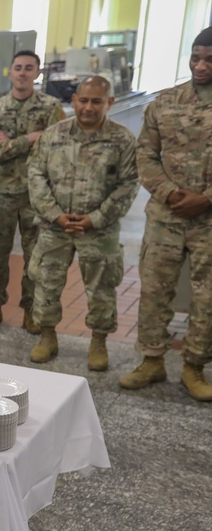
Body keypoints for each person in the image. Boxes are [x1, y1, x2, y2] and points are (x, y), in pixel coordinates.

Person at [120, 27, 212, 400]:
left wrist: (206, 198)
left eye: (209, 60)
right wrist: (170, 192)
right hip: (166, 214)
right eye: (195, 58)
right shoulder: (165, 101)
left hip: (208, 219)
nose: (200, 66)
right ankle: (152, 360)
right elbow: (145, 154)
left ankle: (194, 366)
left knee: (207, 297)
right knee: (155, 289)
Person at [26, 76, 138, 369]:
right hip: (55, 226)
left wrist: (95, 219)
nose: (89, 107)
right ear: (74, 100)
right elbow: (35, 175)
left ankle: (98, 342)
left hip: (99, 230)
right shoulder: (53, 135)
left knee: (102, 288)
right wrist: (54, 214)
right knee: (46, 283)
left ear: (109, 103)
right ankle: (47, 337)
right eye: (84, 100)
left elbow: (128, 185)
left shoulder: (123, 139)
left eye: (96, 101)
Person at [0, 50, 65, 333]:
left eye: (29, 68)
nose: (23, 73)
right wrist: (29, 139)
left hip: (38, 196)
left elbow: (57, 148)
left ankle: (31, 309)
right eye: (18, 68)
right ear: (10, 72)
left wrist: (10, 143)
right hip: (3, 194)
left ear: (38, 73)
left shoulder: (52, 109)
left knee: (34, 257)